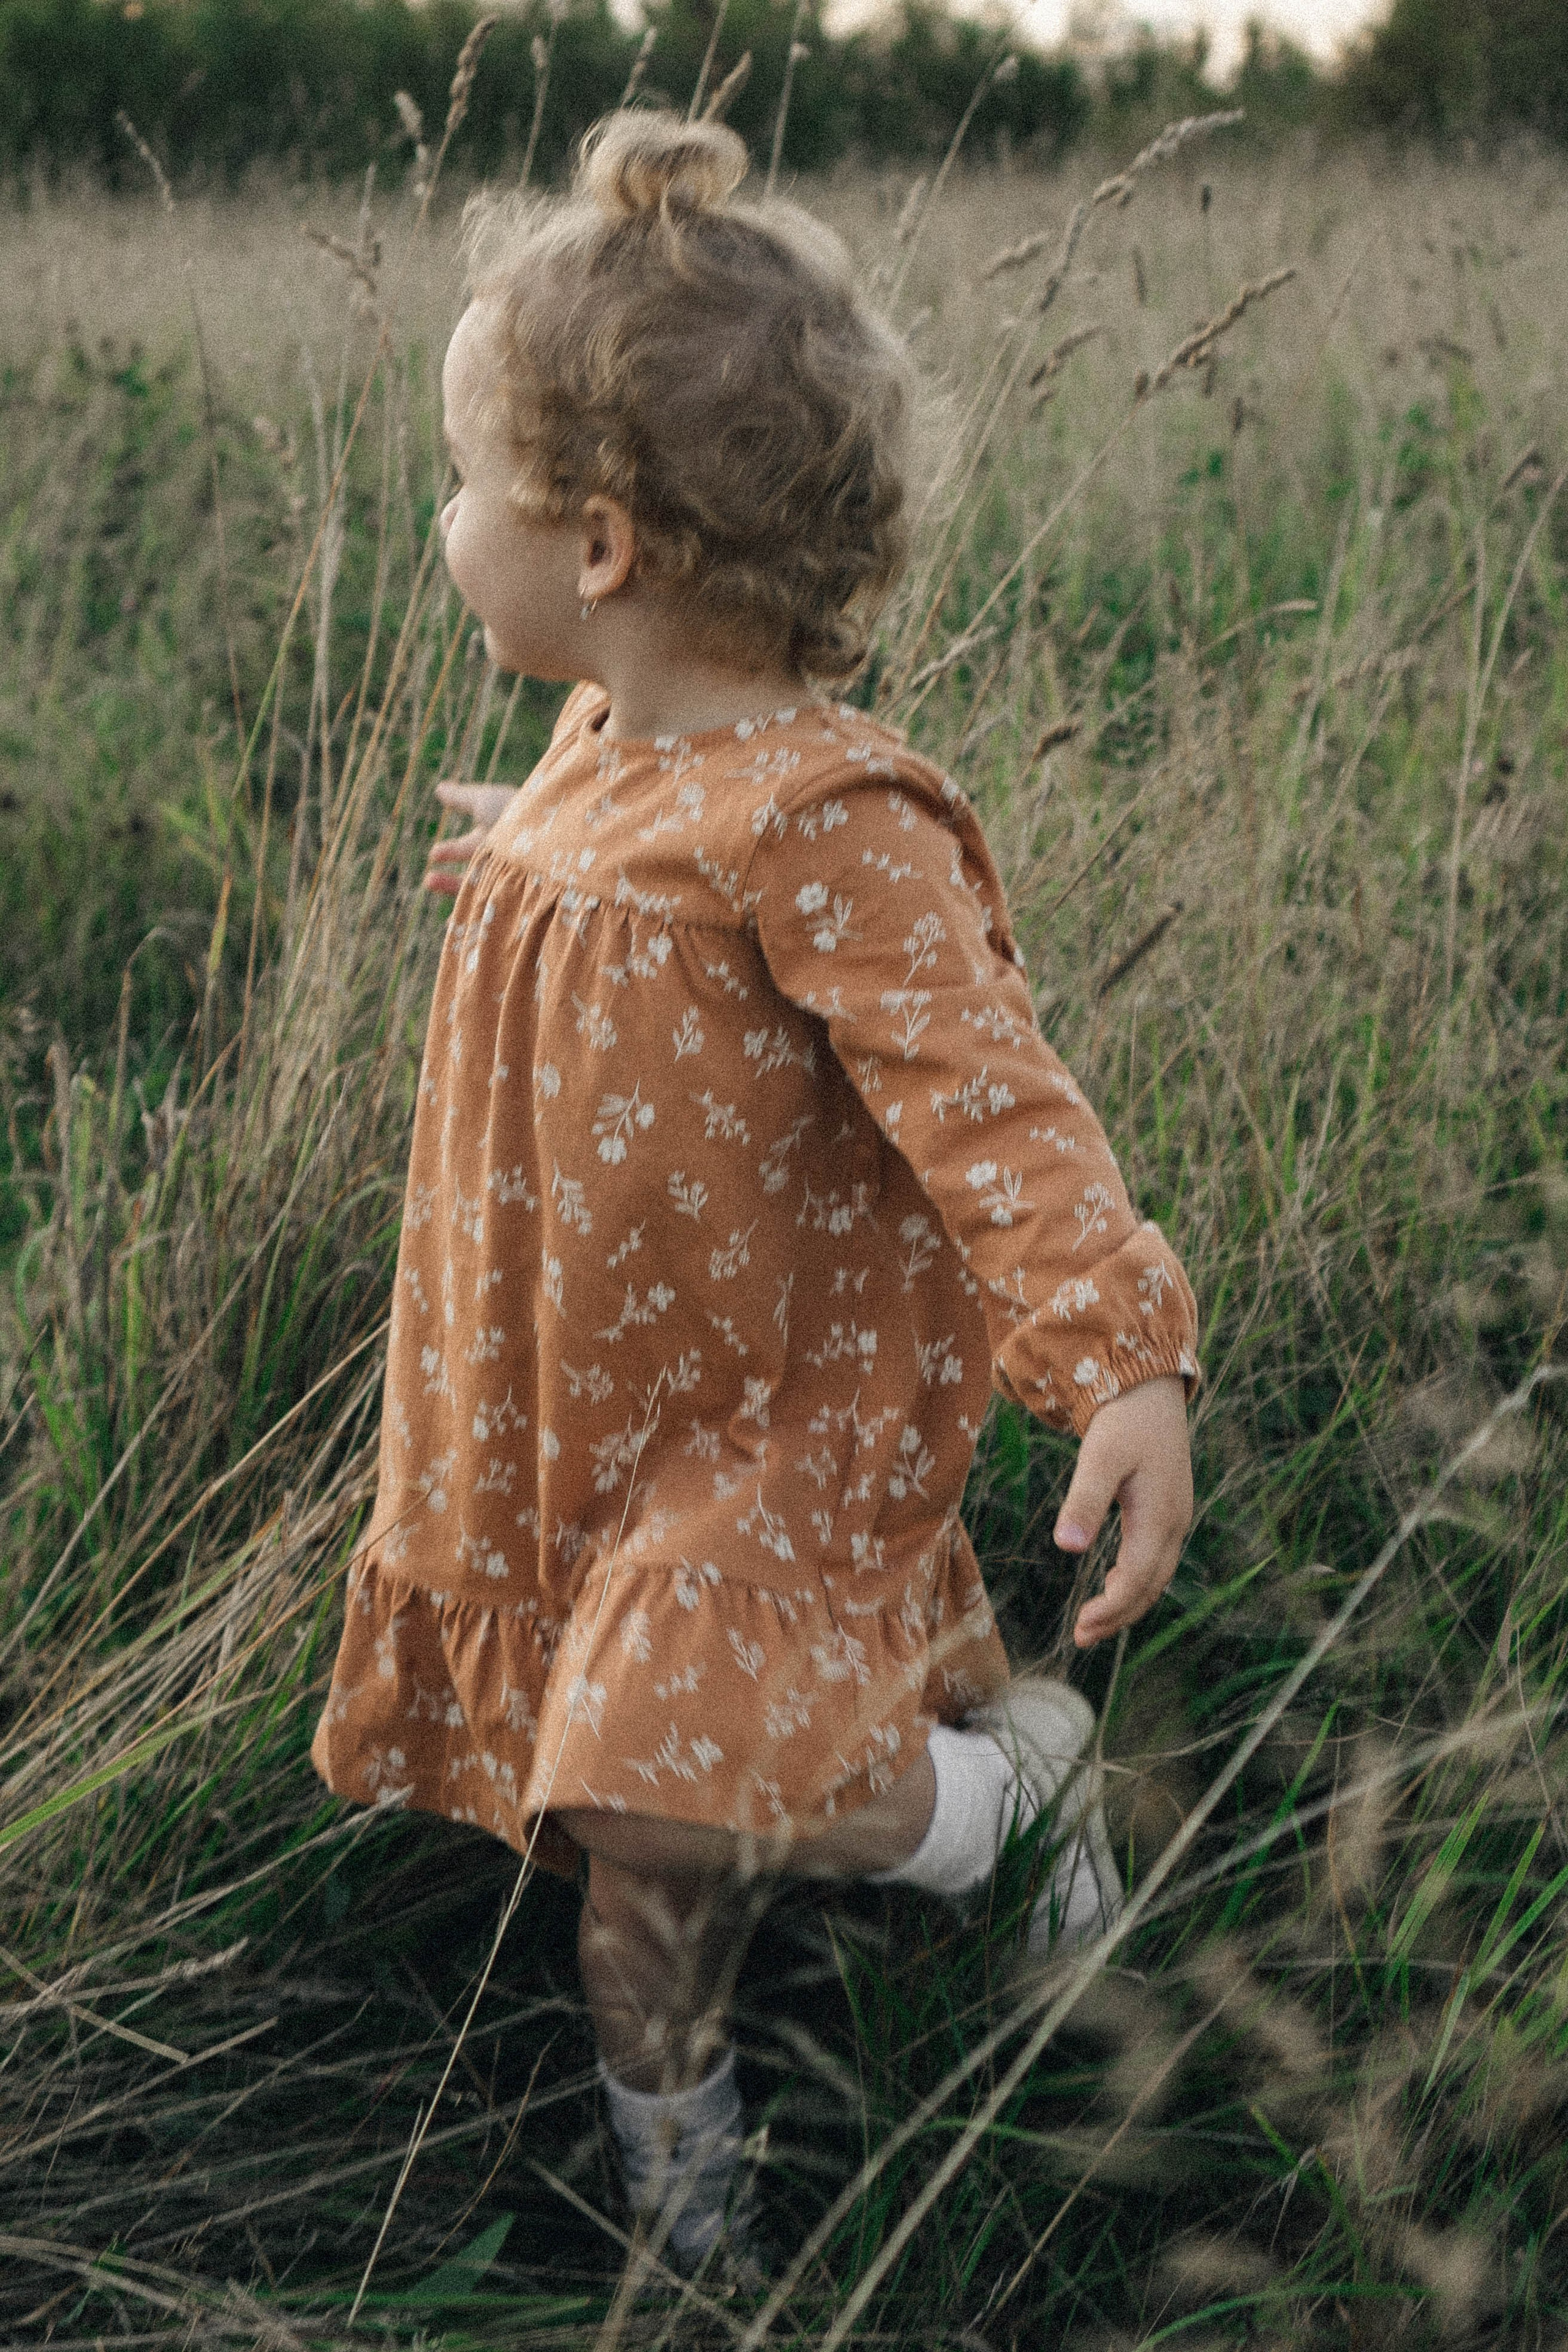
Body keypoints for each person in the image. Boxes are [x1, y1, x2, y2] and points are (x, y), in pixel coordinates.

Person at [311, 108, 1199, 2275]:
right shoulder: (611, 747)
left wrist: (1122, 1359)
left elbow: (994, 1102)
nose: (445, 521)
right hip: (574, 1418)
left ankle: (1000, 1804)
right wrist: (528, 854)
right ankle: (692, 2236)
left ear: (602, 545)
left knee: (640, 1790)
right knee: (641, 1864)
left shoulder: (829, 819)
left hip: (752, 1428)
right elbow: (620, 862)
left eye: (466, 485)